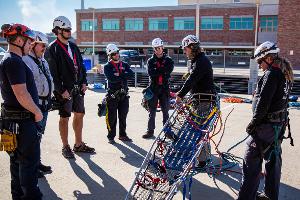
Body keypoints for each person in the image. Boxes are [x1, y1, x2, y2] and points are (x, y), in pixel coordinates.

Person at [237, 41, 294, 200]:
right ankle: (270, 195)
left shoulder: (271, 74)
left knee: (251, 158)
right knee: (273, 159)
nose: (259, 65)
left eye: (260, 61)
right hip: (278, 126)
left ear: (268, 58)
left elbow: (263, 103)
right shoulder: (284, 72)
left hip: (266, 127)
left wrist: (253, 123)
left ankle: (246, 197)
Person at [0, 23, 43, 200]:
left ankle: (18, 197)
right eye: (28, 42)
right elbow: (21, 93)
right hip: (23, 123)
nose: (30, 45)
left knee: (16, 164)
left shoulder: (7, 59)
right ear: (19, 40)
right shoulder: (14, 61)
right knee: (28, 166)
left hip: (12, 122)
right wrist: (37, 112)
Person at [46, 16, 95, 159]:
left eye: (69, 29)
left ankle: (78, 144)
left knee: (80, 114)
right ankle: (65, 146)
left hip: (78, 88)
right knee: (64, 117)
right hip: (64, 90)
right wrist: (61, 90)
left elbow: (80, 66)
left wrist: (84, 81)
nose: (69, 32)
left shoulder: (73, 46)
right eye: (66, 30)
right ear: (57, 31)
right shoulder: (52, 49)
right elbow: (53, 74)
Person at [176, 35, 216, 167]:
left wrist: (180, 94)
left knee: (199, 130)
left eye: (185, 49)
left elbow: (192, 79)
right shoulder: (198, 61)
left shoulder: (201, 62)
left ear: (192, 48)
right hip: (200, 101)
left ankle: (203, 160)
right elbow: (194, 79)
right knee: (200, 129)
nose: (184, 52)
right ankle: (204, 157)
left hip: (203, 102)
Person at [22, 31, 53, 177]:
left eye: (45, 46)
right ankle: (31, 168)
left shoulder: (43, 61)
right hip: (35, 106)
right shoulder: (26, 61)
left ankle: (36, 163)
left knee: (38, 136)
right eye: (42, 46)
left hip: (45, 105)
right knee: (32, 138)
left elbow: (48, 80)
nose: (44, 49)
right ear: (33, 45)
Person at [142, 38, 174, 139]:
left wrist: (158, 70)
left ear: (162, 47)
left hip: (164, 89)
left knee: (166, 112)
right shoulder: (150, 61)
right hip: (154, 89)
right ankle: (150, 131)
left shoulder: (169, 60)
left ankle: (168, 132)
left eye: (159, 48)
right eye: (155, 48)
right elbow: (151, 74)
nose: (157, 50)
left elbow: (168, 71)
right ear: (153, 49)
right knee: (152, 112)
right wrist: (162, 71)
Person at [104, 43, 134, 144]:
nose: (116, 55)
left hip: (124, 95)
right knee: (112, 117)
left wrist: (119, 75)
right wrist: (123, 75)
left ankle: (122, 135)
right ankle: (111, 136)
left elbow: (131, 75)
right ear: (110, 55)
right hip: (113, 96)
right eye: (113, 54)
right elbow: (112, 79)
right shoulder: (107, 67)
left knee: (123, 116)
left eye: (117, 53)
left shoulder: (124, 65)